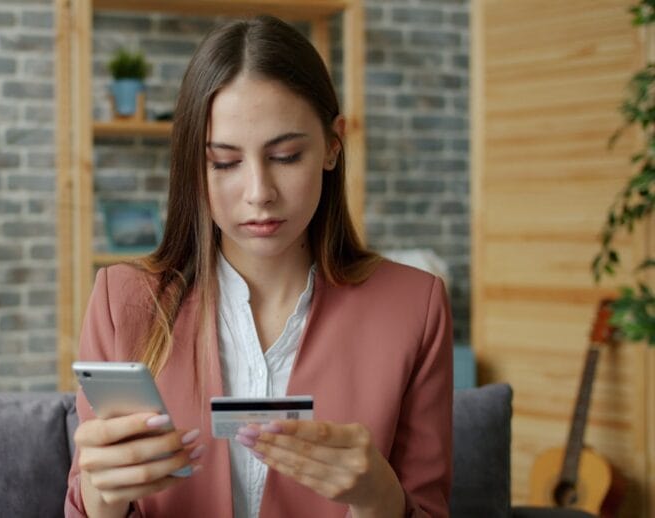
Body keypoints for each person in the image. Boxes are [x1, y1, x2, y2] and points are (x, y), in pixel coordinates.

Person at [65, 14, 452, 518]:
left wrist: (380, 497)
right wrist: (102, 497)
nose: (258, 194)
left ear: (333, 145)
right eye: (224, 162)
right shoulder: (123, 302)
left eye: (286, 156)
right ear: (192, 164)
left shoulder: (415, 308)